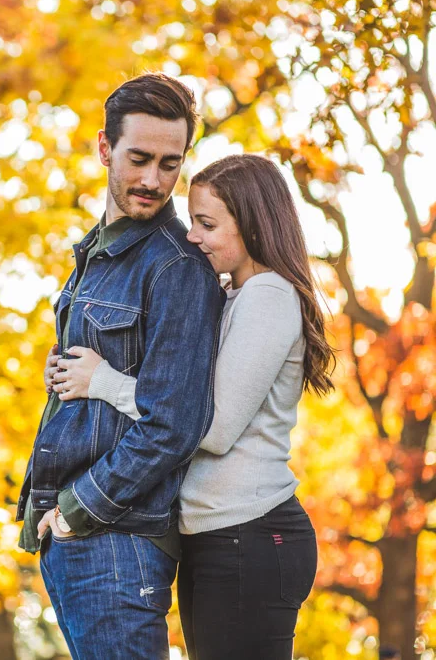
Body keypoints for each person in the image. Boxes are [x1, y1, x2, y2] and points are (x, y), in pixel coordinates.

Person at [48, 154, 333, 658]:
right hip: (216, 534)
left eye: (207, 224)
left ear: (252, 224)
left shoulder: (268, 296)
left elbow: (213, 427)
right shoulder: (235, 294)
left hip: (250, 532)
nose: (193, 237)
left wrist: (106, 382)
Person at [15, 73, 224, 660]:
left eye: (169, 163)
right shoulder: (96, 254)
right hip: (79, 537)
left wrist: (79, 509)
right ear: (105, 149)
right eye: (139, 159)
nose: (154, 180)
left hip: (117, 538)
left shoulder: (177, 265)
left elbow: (174, 423)